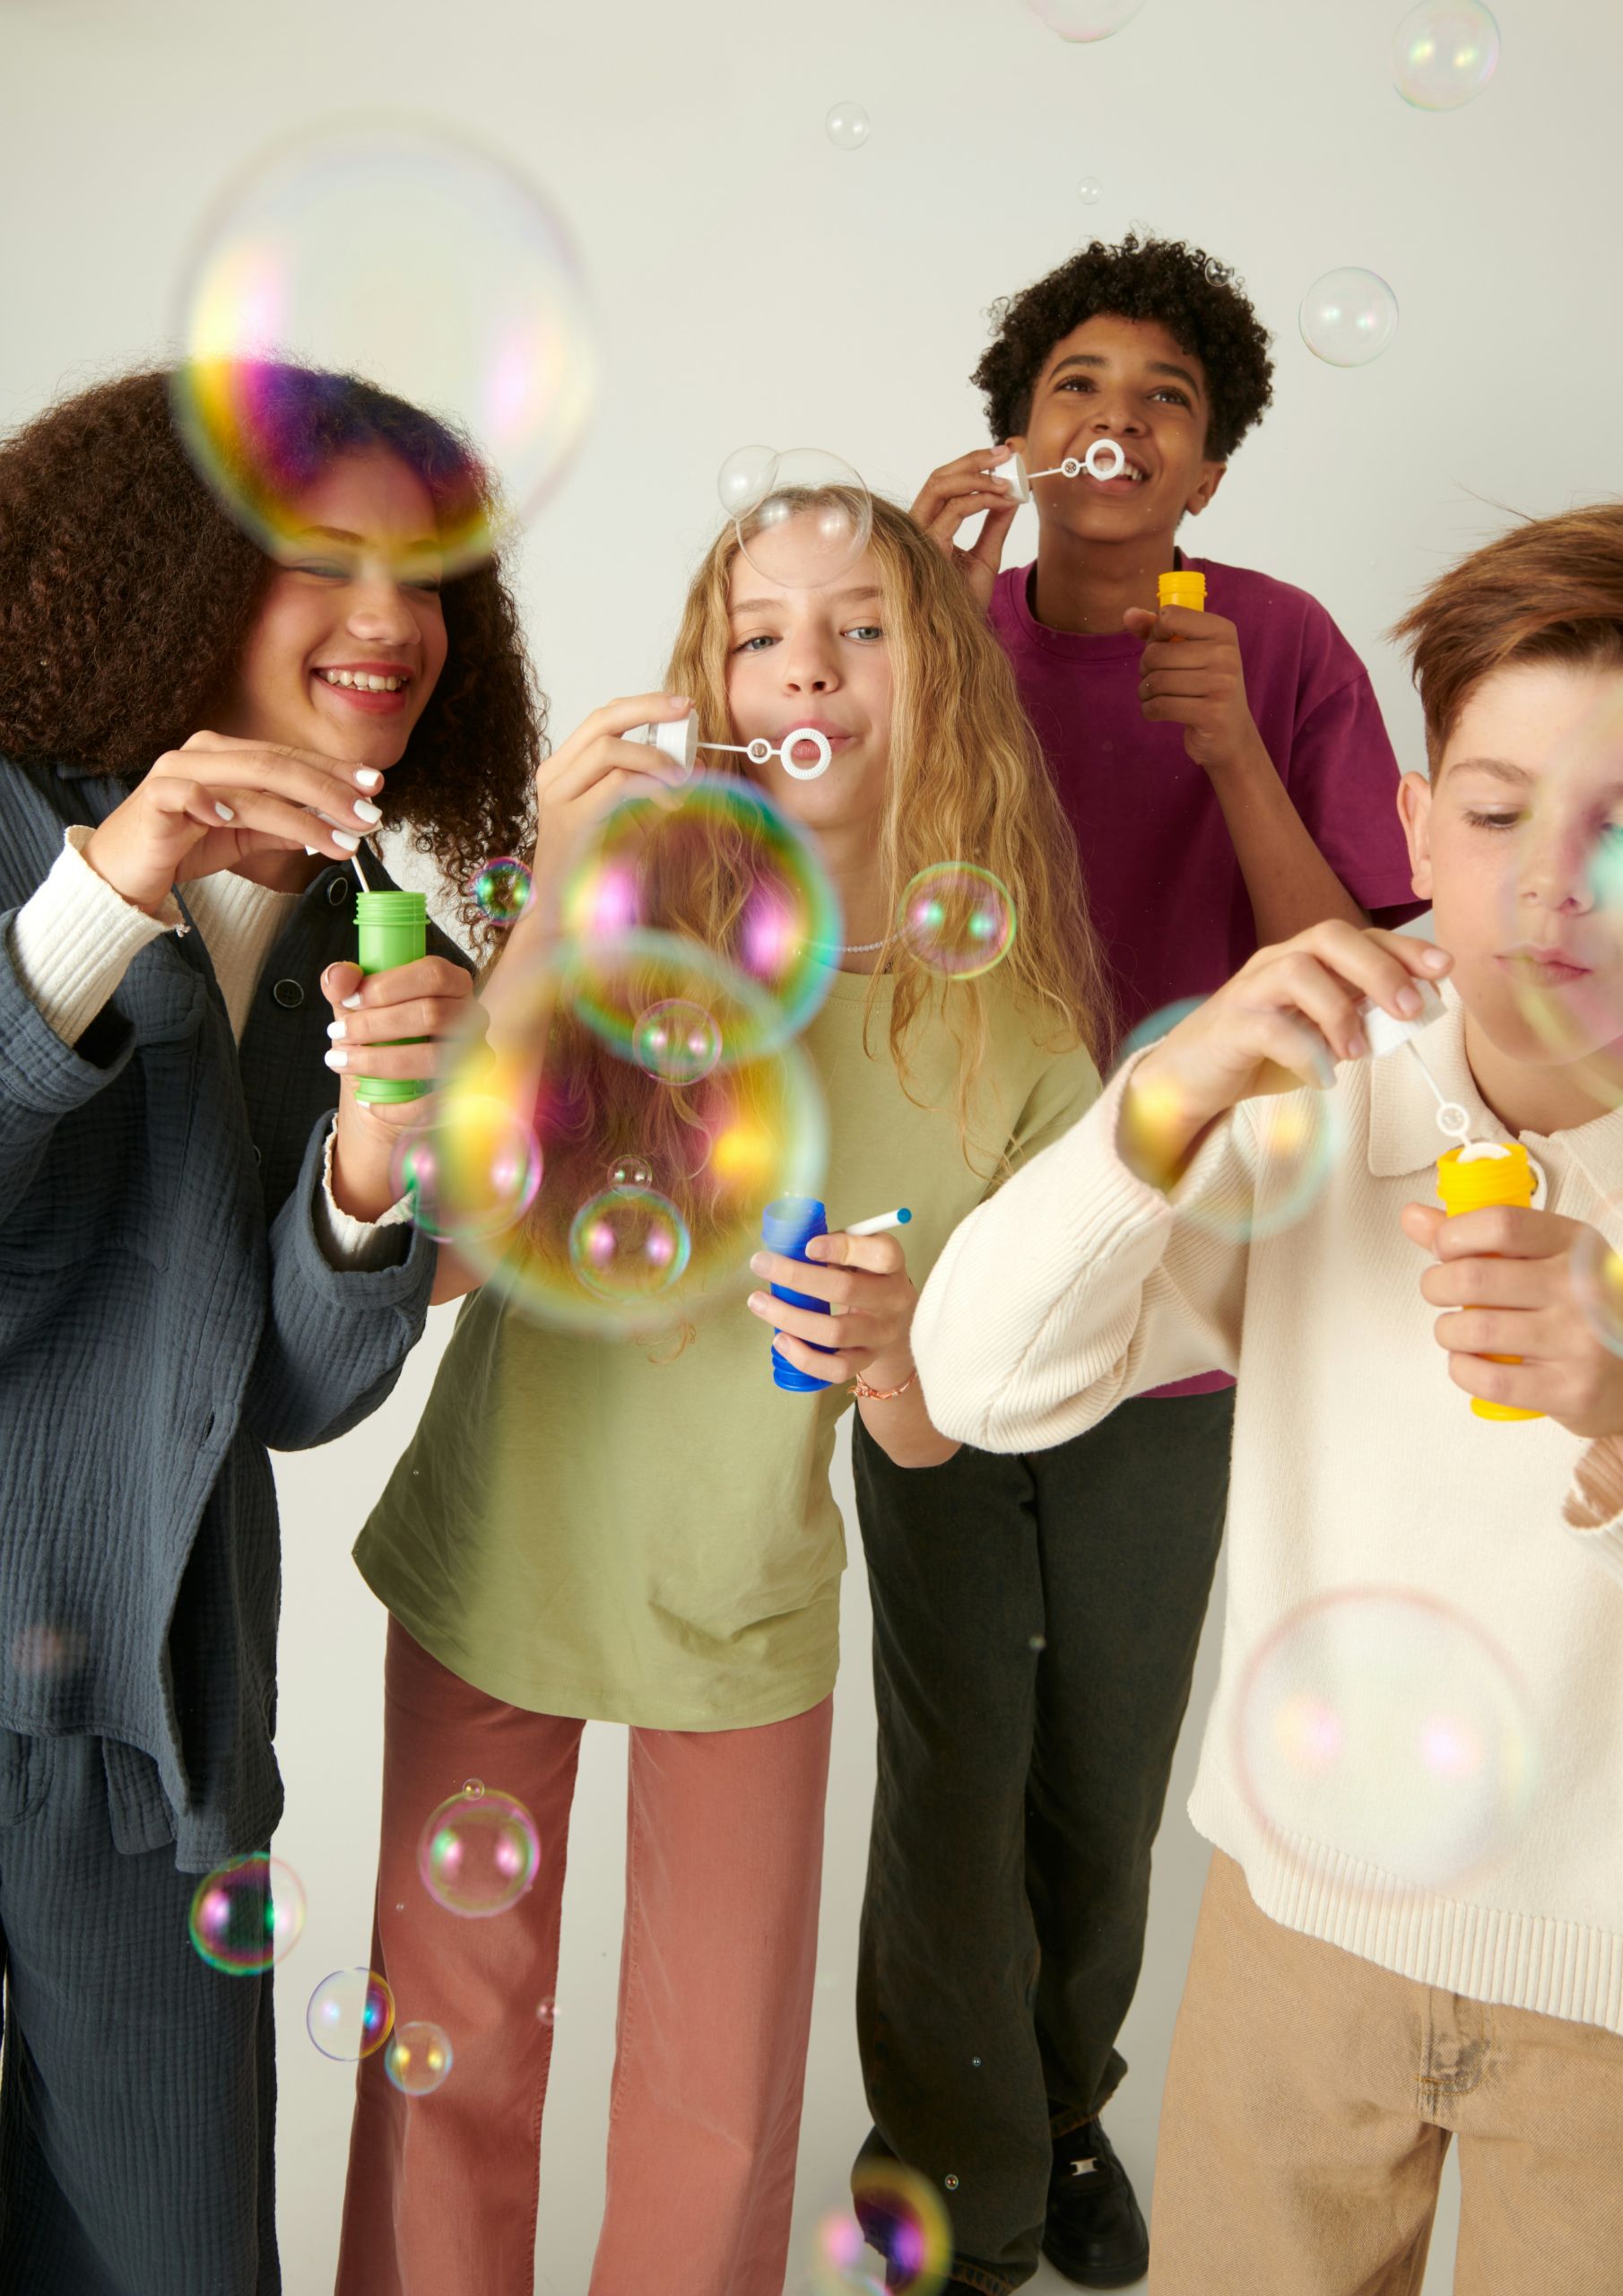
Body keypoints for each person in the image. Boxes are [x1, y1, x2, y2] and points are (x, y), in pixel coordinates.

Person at [910, 501, 1623, 2296]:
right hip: (1298, 1951)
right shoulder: (1310, 1100)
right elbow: (979, 1377)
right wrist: (1171, 1087)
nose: (1556, 882)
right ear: (1418, 831)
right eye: (1502, 811)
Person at [335, 486, 1111, 2296]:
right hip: (495, 1561)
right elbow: (440, 1251)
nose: (807, 666)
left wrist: (901, 1350)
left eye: (858, 625)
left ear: (941, 671)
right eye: (760, 632)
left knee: (718, 2104)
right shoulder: (621, 916)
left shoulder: (1017, 1037)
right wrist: (538, 899)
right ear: (712, 684)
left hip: (745, 1608)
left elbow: (938, 1427)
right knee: (447, 2061)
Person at [850, 232, 1426, 2294]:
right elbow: (827, 893)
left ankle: (1062, 2095)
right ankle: (960, 2182)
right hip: (932, 1275)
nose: (1117, 414)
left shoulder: (1275, 649)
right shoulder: (938, 637)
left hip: (1177, 1307)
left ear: (1208, 465)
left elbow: (1367, 973)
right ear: (1021, 429)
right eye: (1077, 379)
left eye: (1167, 394)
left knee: (1100, 1763)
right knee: (950, 1767)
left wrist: (1234, 753)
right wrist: (890, 617)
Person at [0, 363, 541, 2293]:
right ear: (173, 565)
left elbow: (294, 1390)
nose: (397, 619)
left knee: (168, 2254)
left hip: (156, 1709)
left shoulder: (370, 920)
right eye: (326, 558)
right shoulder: (25, 826)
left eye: (436, 574)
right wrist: (100, 897)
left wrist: (381, 1161)